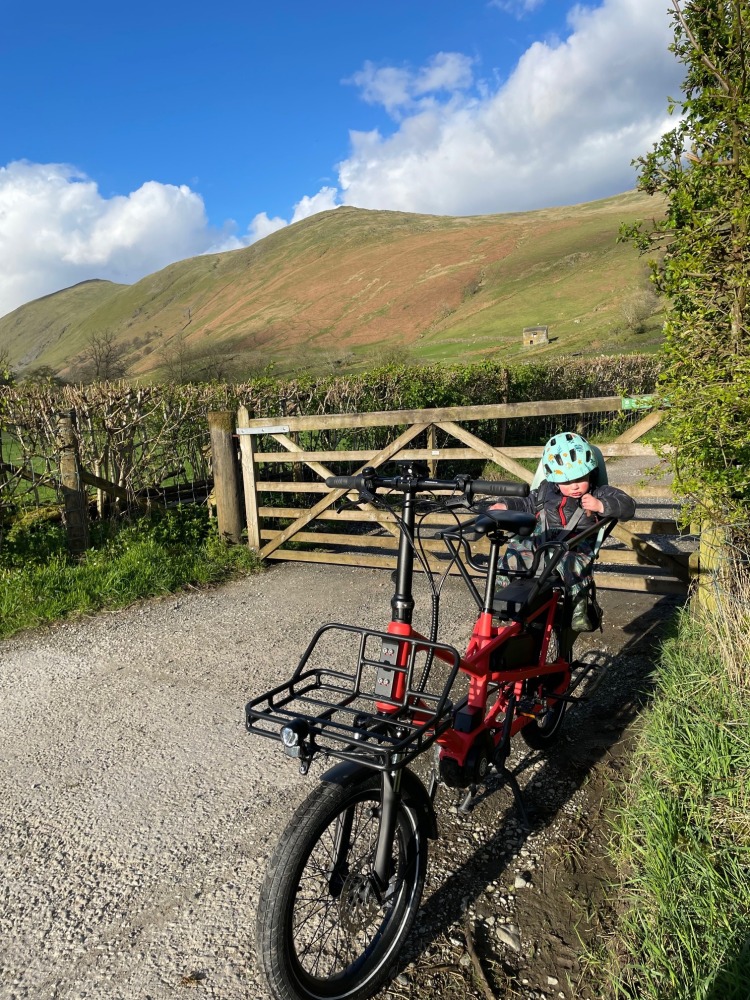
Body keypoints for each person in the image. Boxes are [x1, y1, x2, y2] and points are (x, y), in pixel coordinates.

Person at [490, 431, 636, 631]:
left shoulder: (598, 492)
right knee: (516, 548)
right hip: (545, 542)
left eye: (580, 478)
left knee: (568, 562)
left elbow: (628, 505)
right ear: (554, 480)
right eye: (566, 481)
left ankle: (578, 609)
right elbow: (527, 503)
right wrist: (505, 505)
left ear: (590, 473)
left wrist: (601, 505)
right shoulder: (545, 491)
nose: (575, 486)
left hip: (576, 545)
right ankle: (499, 598)